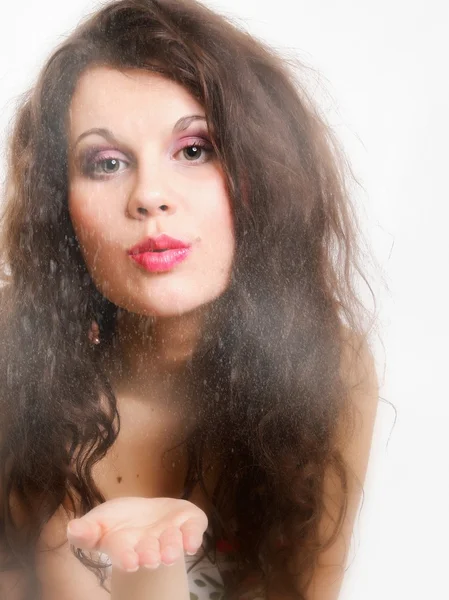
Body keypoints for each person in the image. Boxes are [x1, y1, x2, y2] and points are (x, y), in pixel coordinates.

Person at [0, 0, 380, 598]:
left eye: (194, 149)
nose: (150, 196)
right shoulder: (14, 361)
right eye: (106, 162)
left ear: (261, 170)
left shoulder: (328, 371)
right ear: (60, 207)